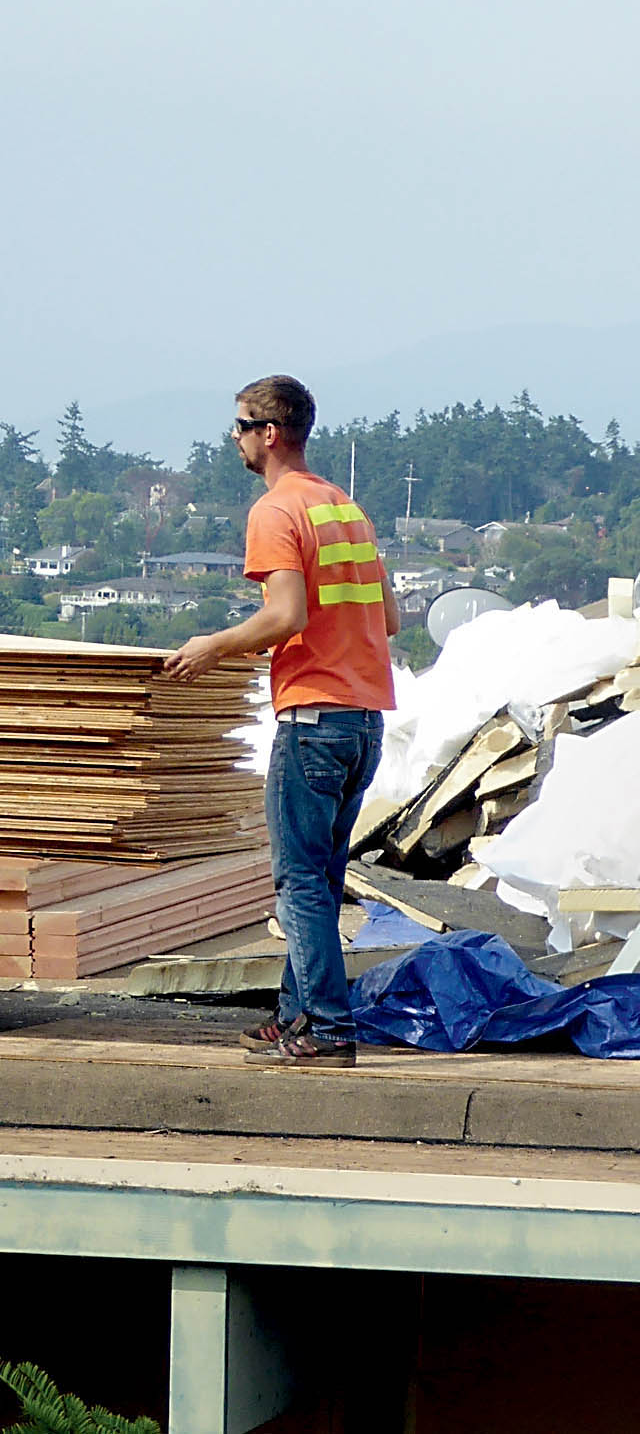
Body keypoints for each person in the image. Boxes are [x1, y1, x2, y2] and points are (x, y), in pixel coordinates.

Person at [164, 376, 397, 1066]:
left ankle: (325, 1026)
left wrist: (213, 645)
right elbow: (388, 618)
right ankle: (296, 1015)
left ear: (268, 433)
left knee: (296, 880)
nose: (233, 437)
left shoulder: (276, 510)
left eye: (238, 425)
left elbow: (286, 615)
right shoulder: (343, 507)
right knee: (320, 879)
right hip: (363, 721)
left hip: (313, 720)